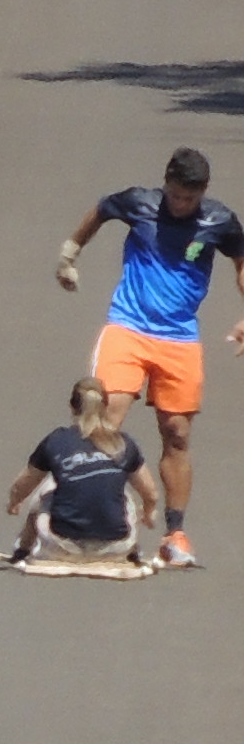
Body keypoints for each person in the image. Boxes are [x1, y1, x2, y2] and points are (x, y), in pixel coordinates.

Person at [60, 148, 240, 570]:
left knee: (176, 433)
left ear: (203, 193)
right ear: (166, 185)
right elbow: (101, 211)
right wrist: (70, 253)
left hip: (179, 338)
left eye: (190, 199)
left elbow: (240, 259)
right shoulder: (138, 203)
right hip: (128, 328)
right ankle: (84, 518)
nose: (181, 205)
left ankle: (175, 534)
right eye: (176, 196)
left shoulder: (218, 221)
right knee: (108, 418)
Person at [0, 375, 162, 572]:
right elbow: (151, 493)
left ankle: (22, 550)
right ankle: (132, 552)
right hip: (115, 547)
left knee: (49, 486)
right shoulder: (123, 443)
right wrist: (148, 511)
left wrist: (14, 502)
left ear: (72, 406)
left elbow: (21, 485)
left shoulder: (57, 441)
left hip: (61, 545)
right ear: (105, 406)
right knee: (121, 492)